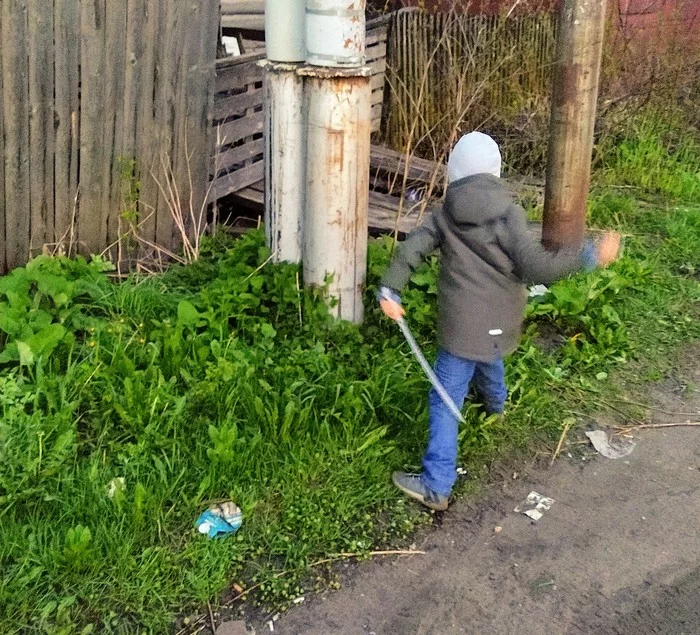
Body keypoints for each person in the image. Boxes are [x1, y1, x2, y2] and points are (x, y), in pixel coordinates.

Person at [378, 131, 621, 511]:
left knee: (445, 399)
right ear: (496, 171)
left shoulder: (443, 217)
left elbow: (412, 251)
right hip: (502, 320)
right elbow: (537, 266)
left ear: (453, 172)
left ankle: (436, 484)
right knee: (490, 353)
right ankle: (496, 407)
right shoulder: (510, 215)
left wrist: (391, 290)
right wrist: (588, 256)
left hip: (461, 327)